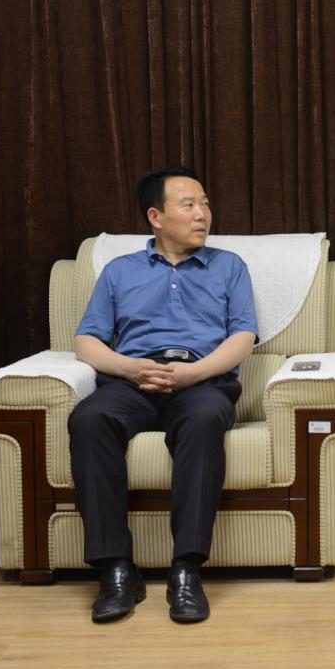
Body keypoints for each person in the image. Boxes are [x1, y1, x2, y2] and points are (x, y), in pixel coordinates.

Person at [68, 167, 258, 623]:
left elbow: (243, 336)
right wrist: (129, 368)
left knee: (204, 419)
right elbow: (87, 341)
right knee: (89, 418)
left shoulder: (229, 266)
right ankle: (116, 570)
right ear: (156, 216)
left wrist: (194, 374)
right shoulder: (120, 271)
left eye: (205, 204)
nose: (202, 214)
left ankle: (186, 570)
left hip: (202, 380)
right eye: (189, 205)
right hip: (133, 379)